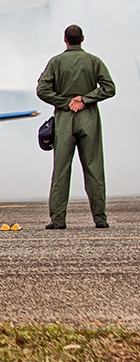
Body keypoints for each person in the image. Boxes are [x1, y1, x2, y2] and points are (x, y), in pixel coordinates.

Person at [36, 24, 115, 229]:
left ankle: (58, 219)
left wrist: (65, 102)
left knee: (61, 170)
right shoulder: (94, 61)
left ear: (65, 39)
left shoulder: (56, 62)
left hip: (64, 119)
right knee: (94, 169)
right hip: (89, 118)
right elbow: (109, 88)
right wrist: (85, 99)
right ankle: (100, 218)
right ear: (82, 39)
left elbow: (42, 90)